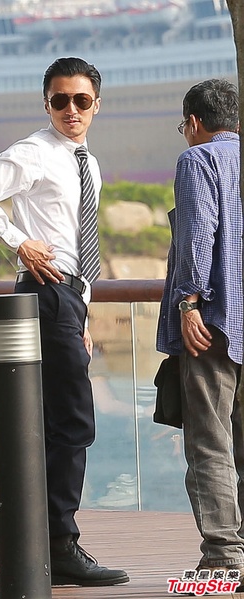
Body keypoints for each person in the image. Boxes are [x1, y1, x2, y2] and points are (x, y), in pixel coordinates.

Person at [0, 56, 129, 587]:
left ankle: (46, 542)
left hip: (68, 300)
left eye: (81, 100)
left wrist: (84, 315)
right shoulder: (34, 151)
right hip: (46, 292)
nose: (71, 109)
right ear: (46, 103)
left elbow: (81, 243)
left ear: (96, 105)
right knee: (71, 421)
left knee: (59, 421)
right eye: (60, 100)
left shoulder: (87, 162)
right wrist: (19, 242)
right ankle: (58, 543)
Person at [156, 79, 244, 584]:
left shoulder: (198, 160)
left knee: (211, 442)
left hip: (216, 326)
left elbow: (197, 233)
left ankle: (223, 558)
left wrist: (188, 303)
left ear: (193, 123)